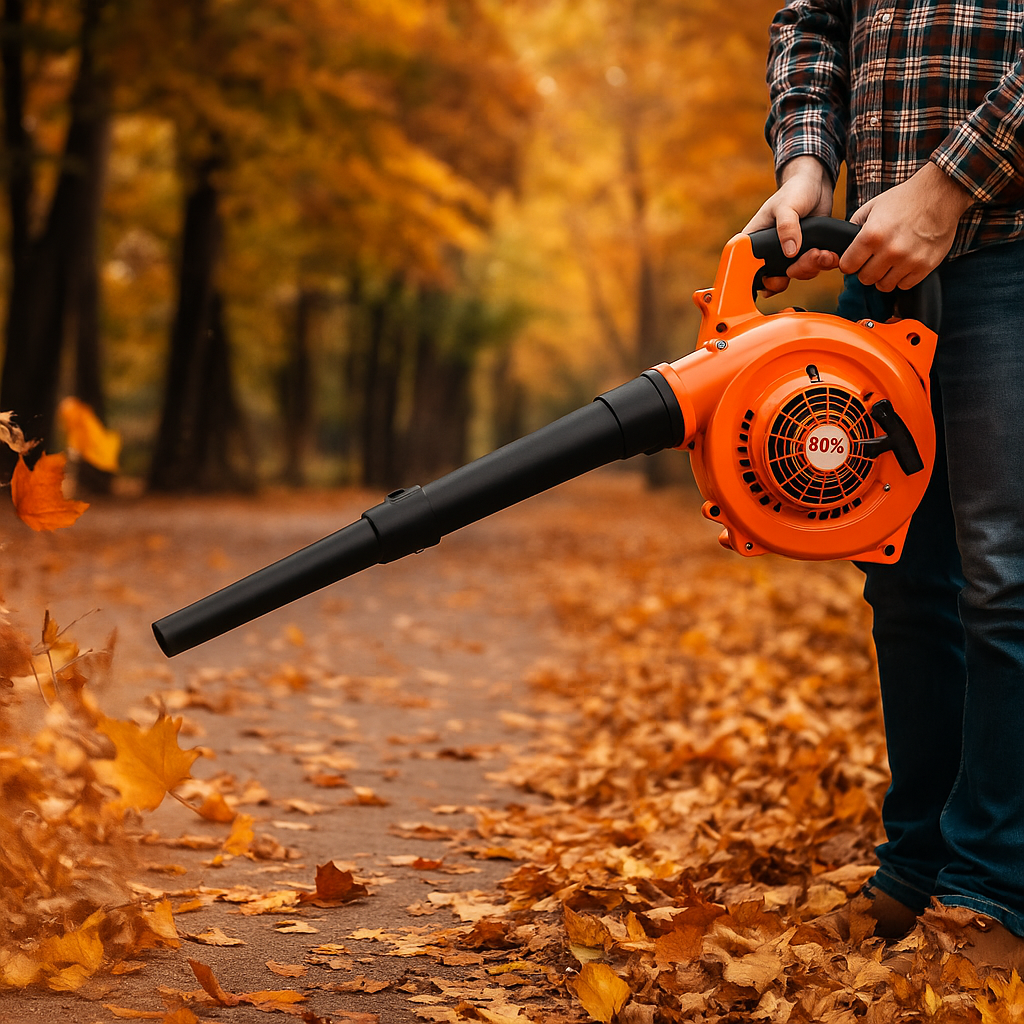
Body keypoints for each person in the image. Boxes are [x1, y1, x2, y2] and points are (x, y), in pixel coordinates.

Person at [742, 1, 1024, 969]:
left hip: (1010, 247)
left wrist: (946, 186)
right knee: (907, 581)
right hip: (882, 259)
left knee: (1006, 584)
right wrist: (806, 168)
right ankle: (919, 864)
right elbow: (811, 22)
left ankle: (994, 890)